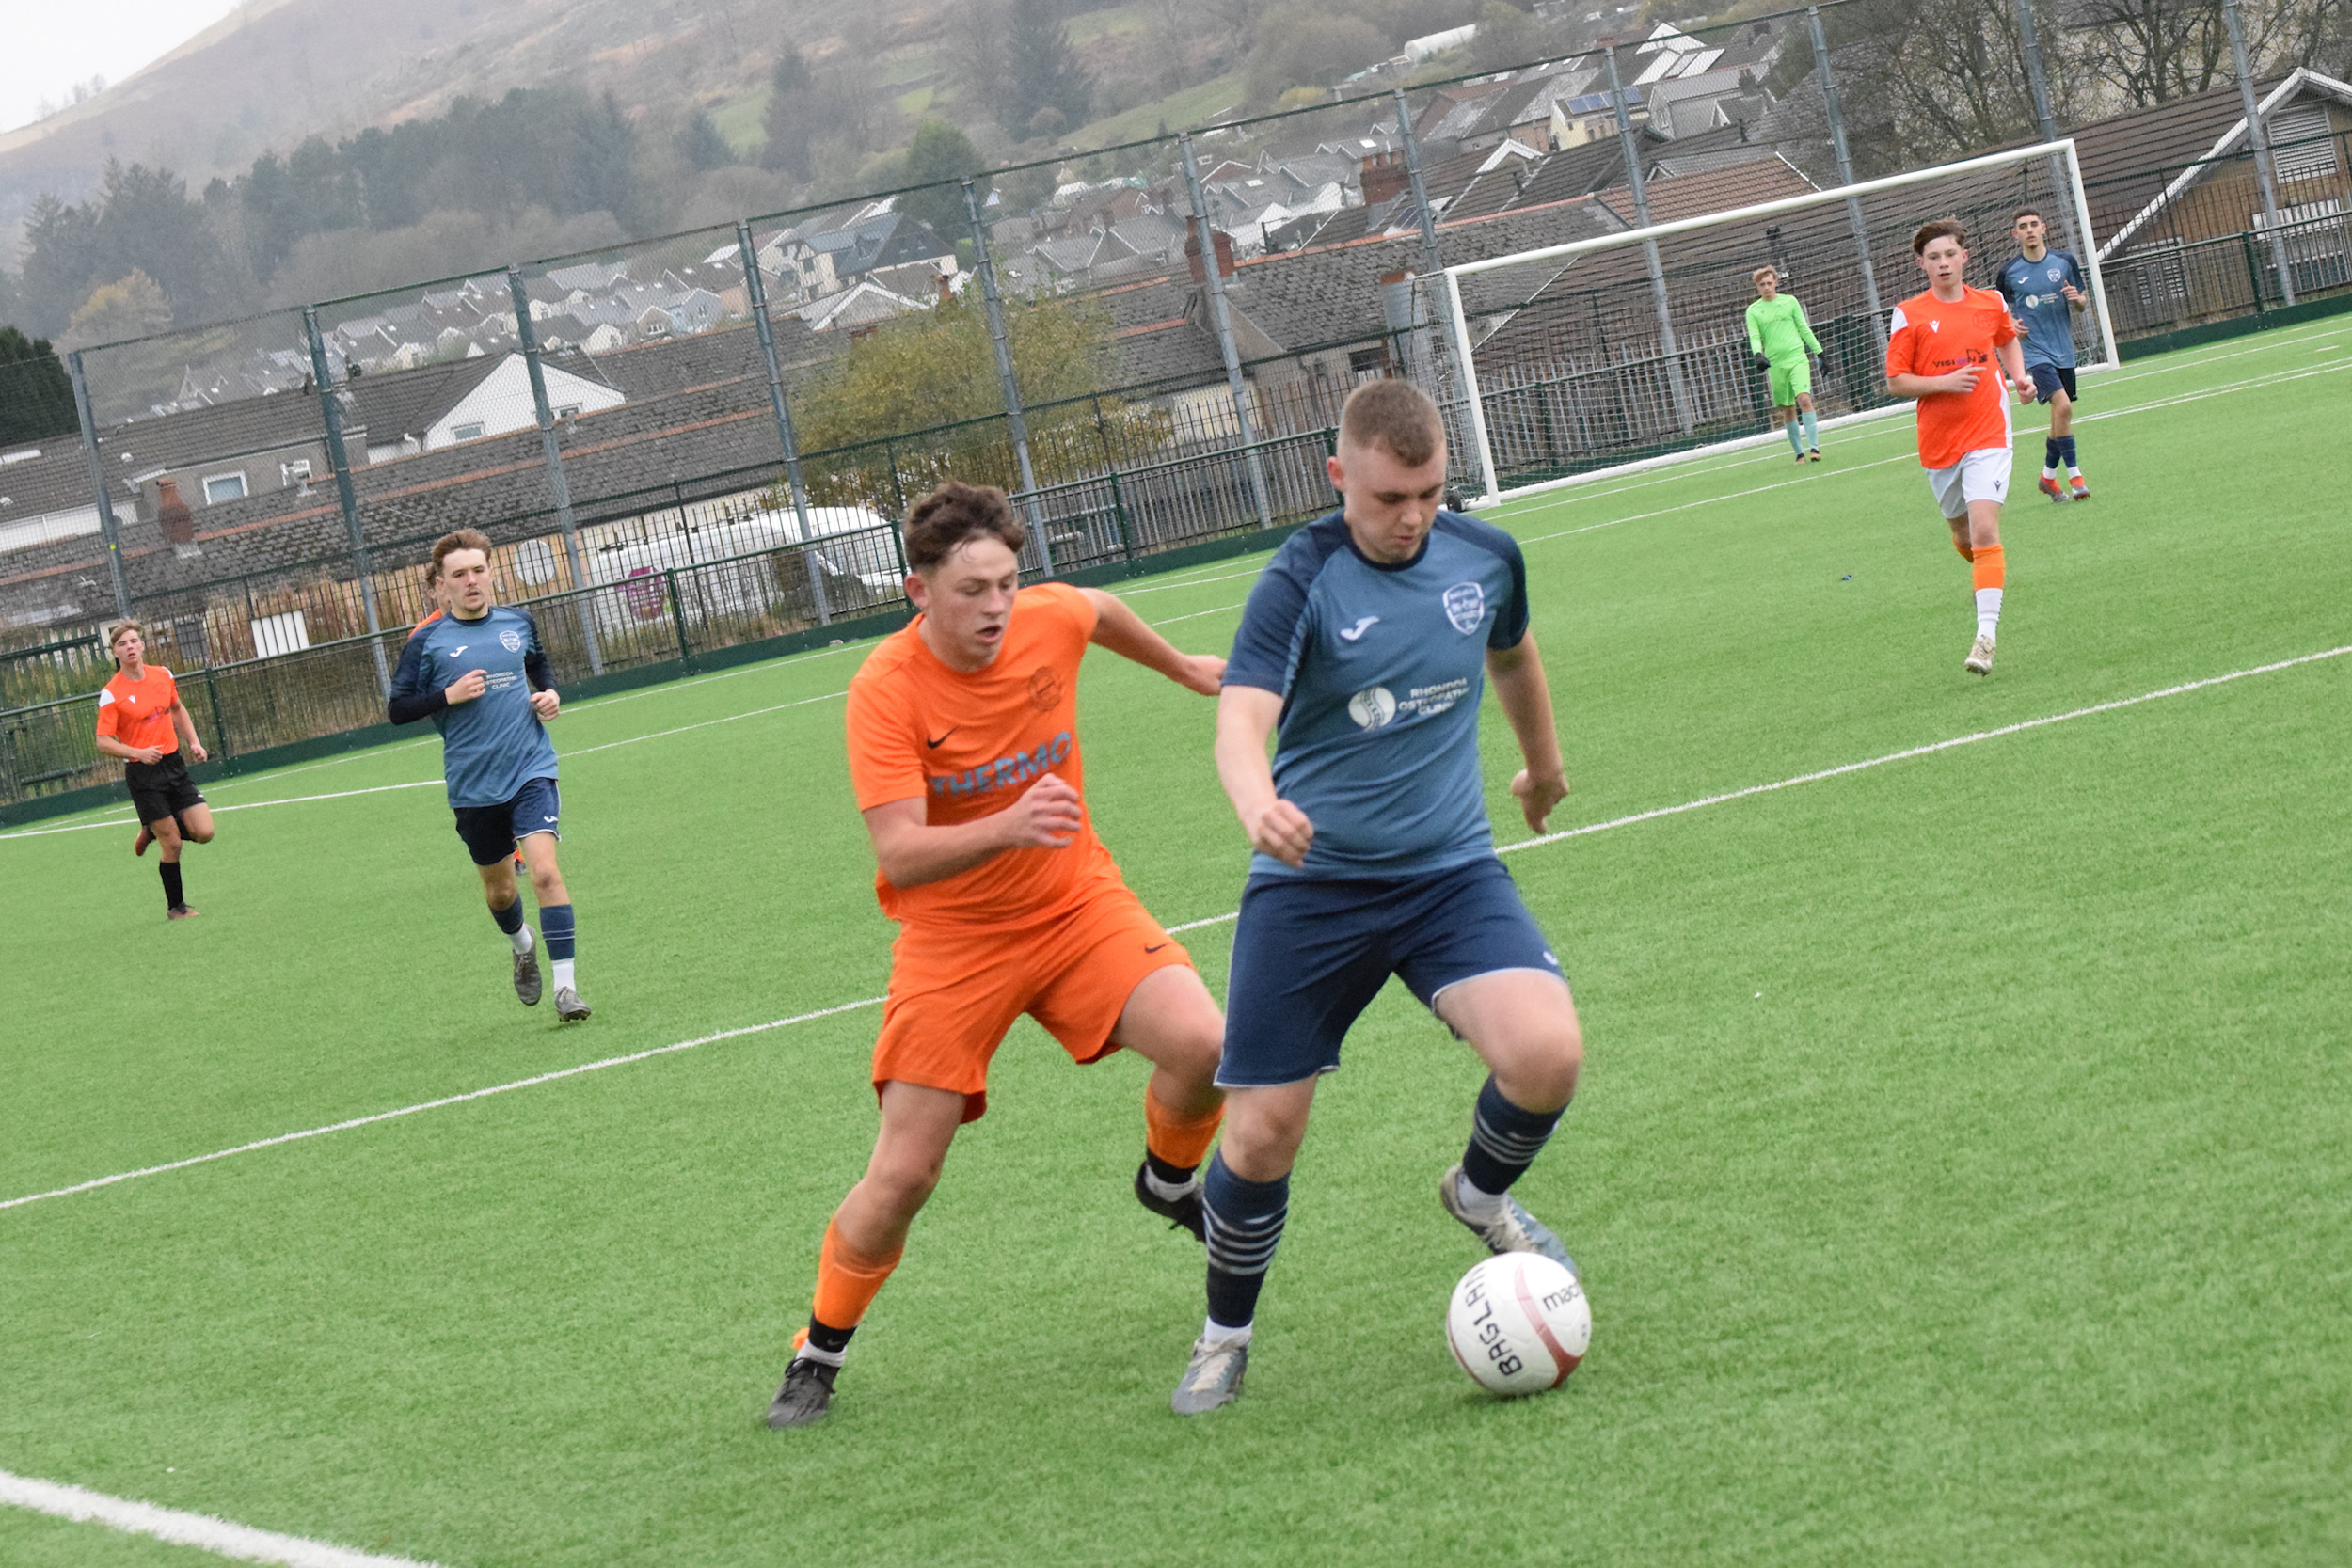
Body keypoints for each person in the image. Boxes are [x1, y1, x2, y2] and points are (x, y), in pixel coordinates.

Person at [767, 480, 1231, 1430]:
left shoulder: (1043, 617)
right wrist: (1009, 822)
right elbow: (898, 849)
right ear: (917, 589)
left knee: (1209, 1044)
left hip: (1073, 906)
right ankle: (817, 1350)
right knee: (904, 1174)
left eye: (1006, 584)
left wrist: (1182, 666)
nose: (994, 608)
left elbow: (1094, 609)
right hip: (955, 942)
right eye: (971, 589)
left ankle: (1168, 1177)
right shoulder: (884, 689)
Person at [1168, 378, 1581, 1416]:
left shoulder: (1484, 556)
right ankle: (1224, 1333)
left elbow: (1513, 653)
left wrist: (1540, 764)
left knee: (1547, 1054)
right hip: (1310, 889)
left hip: (1447, 871)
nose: (1411, 517)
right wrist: (1256, 801)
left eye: (1431, 493)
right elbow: (1239, 717)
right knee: (1261, 1134)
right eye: (1390, 496)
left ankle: (1480, 1191)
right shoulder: (1298, 577)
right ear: (1337, 474)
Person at [387, 529, 588, 1020]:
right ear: (439, 586)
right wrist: (446, 697)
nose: (471, 581)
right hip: (474, 784)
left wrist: (549, 695)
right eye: (459, 574)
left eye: (479, 570)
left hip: (530, 768)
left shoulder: (518, 622)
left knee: (543, 871)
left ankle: (567, 990)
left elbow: (539, 666)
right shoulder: (426, 642)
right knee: (500, 891)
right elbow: (397, 709)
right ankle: (522, 945)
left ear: (491, 573)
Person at [1885, 218, 2030, 677]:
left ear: (1964, 257)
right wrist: (1944, 382)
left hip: (1989, 431)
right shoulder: (1908, 313)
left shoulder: (1991, 302)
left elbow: (2006, 338)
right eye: (1933, 257)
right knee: (1966, 538)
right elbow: (1895, 382)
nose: (1943, 263)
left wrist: (2019, 378)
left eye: (1950, 255)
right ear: (1921, 264)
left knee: (1986, 532)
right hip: (1939, 442)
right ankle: (1989, 579)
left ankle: (1985, 636)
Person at [92, 620, 215, 919]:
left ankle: (151, 827)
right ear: (115, 653)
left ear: (143, 645)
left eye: (134, 641)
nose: (130, 647)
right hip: (143, 773)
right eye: (122, 644)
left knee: (204, 832)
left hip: (174, 765)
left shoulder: (163, 675)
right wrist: (137, 752)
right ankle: (176, 908)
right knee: (172, 842)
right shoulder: (112, 693)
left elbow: (177, 708)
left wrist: (194, 742)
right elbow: (102, 741)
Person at [1996, 206, 2092, 501]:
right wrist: (2010, 324)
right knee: (2063, 407)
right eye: (2022, 226)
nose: (2029, 230)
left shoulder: (2065, 262)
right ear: (2015, 234)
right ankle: (2076, 478)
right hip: (2035, 352)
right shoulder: (2009, 273)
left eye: (2033, 224)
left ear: (2044, 228)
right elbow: (2000, 314)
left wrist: (2078, 300)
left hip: (2063, 349)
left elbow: (2082, 302)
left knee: (2057, 417)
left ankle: (2047, 479)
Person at [1746, 266, 1827, 463]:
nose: (1766, 287)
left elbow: (1803, 328)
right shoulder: (1753, 311)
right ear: (1757, 287)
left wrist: (1820, 352)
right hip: (1776, 364)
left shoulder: (1790, 302)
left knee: (1804, 399)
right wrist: (1758, 354)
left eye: (1769, 283)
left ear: (1776, 283)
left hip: (1797, 358)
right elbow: (1755, 336)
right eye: (1762, 284)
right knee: (1788, 408)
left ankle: (1814, 448)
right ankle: (1799, 453)